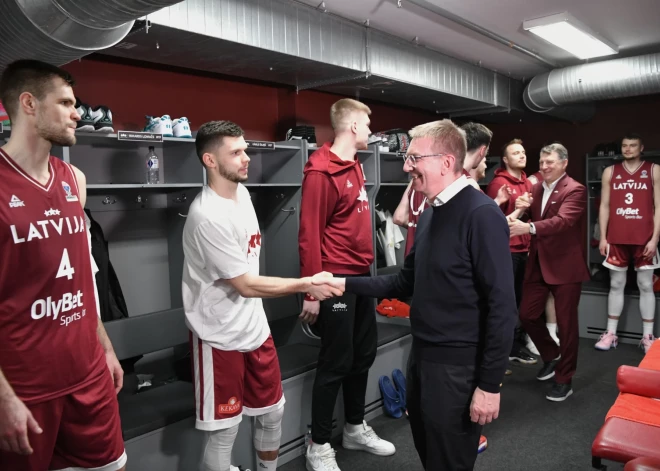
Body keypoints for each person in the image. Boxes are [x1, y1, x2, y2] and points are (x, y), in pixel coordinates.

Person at [318, 119, 517, 470]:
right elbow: (402, 283)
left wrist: (489, 385)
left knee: (450, 461)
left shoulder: (482, 214)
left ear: (446, 162)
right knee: (429, 454)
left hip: (458, 368)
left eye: (414, 158)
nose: (406, 166)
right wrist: (341, 283)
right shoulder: (428, 214)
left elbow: (502, 307)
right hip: (422, 358)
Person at [181, 120, 342, 471]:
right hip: (218, 337)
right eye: (236, 152)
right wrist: (305, 284)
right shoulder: (206, 215)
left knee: (273, 412)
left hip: (255, 329)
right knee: (224, 432)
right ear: (210, 160)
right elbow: (246, 284)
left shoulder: (241, 195)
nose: (246, 158)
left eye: (245, 149)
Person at [0, 59, 126, 470]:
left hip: (88, 370)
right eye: (66, 103)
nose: (77, 113)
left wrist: (104, 345)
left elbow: (84, 274)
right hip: (24, 386)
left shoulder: (74, 179)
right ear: (29, 104)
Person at [298, 98, 396, 471]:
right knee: (336, 361)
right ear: (353, 126)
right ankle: (318, 444)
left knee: (362, 353)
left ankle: (354, 427)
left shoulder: (354, 164)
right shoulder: (320, 172)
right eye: (368, 123)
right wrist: (310, 291)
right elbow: (308, 235)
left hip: (360, 278)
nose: (371, 130)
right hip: (332, 281)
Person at [509, 143, 590, 402]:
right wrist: (521, 207)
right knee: (527, 315)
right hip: (538, 264)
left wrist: (528, 228)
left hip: (566, 267)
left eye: (550, 162)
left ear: (564, 163)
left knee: (567, 326)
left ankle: (564, 379)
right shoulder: (535, 188)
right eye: (542, 162)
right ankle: (552, 355)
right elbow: (529, 212)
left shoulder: (575, 189)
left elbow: (564, 222)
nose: (544, 167)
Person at [596, 133, 660, 353]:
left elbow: (659, 206)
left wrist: (655, 238)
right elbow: (604, 206)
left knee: (645, 284)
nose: (628, 149)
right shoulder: (610, 171)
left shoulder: (653, 169)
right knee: (615, 284)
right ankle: (610, 333)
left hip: (644, 238)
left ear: (642, 147)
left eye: (633, 145)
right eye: (624, 145)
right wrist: (603, 237)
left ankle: (648, 337)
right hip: (617, 237)